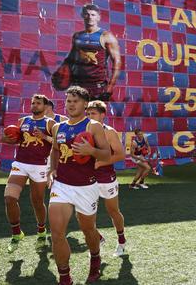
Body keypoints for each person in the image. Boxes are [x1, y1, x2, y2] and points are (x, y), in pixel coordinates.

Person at [48, 86, 111, 285]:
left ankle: (95, 258)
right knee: (57, 233)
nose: (71, 104)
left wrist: (90, 149)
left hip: (86, 187)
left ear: (85, 104)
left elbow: (107, 155)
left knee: (88, 230)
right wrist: (52, 169)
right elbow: (55, 151)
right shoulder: (58, 127)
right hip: (62, 186)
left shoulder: (93, 126)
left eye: (75, 101)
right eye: (68, 101)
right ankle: (65, 278)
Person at [1, 94, 55, 252]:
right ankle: (17, 233)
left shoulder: (50, 123)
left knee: (37, 202)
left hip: (39, 167)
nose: (34, 105)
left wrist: (44, 136)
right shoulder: (22, 121)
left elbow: (59, 142)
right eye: (32, 103)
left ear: (45, 106)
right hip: (20, 163)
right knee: (9, 198)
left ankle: (41, 230)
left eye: (38, 103)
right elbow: (17, 140)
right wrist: (6, 139)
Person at [54, 4, 121, 101]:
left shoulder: (106, 36)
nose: (90, 17)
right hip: (78, 85)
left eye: (93, 15)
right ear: (82, 15)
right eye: (87, 14)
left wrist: (111, 85)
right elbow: (71, 58)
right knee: (77, 115)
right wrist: (61, 72)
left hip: (97, 87)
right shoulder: (77, 36)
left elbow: (117, 62)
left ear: (98, 17)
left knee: (94, 115)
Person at [86, 100, 127, 257]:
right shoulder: (83, 130)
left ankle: (122, 242)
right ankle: (97, 239)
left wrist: (100, 163)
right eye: (88, 113)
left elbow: (120, 155)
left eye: (93, 113)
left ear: (102, 115)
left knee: (113, 211)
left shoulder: (109, 132)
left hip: (106, 177)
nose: (90, 116)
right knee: (84, 213)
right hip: (87, 178)